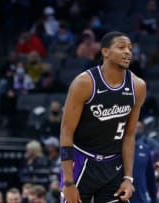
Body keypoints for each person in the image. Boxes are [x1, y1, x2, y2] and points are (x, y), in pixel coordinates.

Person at [60, 31, 146, 203]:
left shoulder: (138, 86)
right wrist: (68, 182)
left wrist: (128, 178)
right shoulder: (84, 83)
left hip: (113, 165)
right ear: (105, 52)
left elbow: (129, 135)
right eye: (121, 47)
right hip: (83, 161)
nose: (128, 52)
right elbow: (66, 132)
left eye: (130, 48)